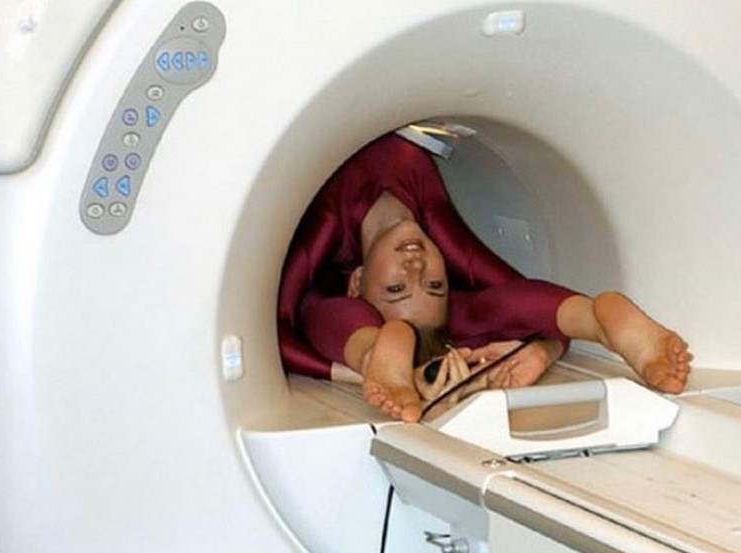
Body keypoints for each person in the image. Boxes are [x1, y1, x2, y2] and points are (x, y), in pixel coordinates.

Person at [278, 132, 691, 421]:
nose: (416, 267)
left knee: (315, 305)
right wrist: (543, 347)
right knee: (479, 307)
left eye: (396, 288)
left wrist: (355, 373)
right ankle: (593, 319)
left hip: (341, 140)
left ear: (357, 280)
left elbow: (276, 323)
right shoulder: (437, 228)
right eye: (434, 286)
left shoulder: (328, 229)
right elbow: (520, 298)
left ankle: (371, 355)